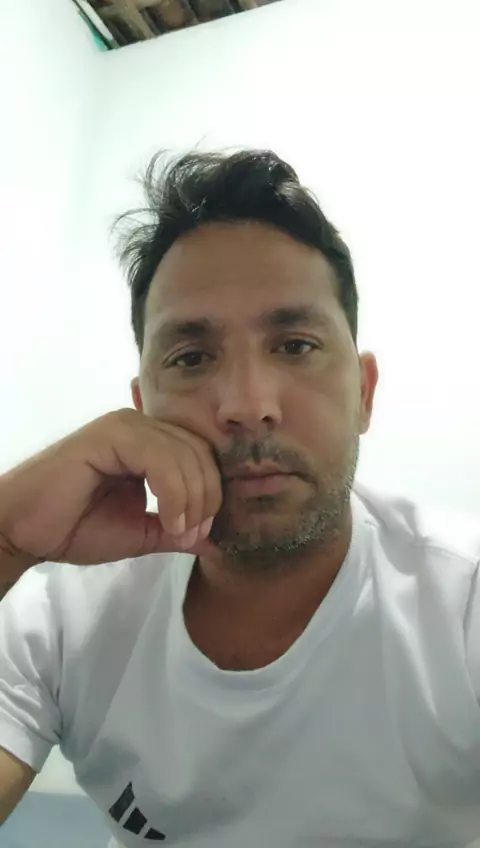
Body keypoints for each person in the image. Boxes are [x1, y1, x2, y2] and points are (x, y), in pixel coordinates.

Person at [0, 149, 479, 848]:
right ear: (141, 408)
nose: (248, 405)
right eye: (192, 358)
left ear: (364, 394)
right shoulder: (61, 612)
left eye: (295, 345)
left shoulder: (462, 605)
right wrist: (7, 538)